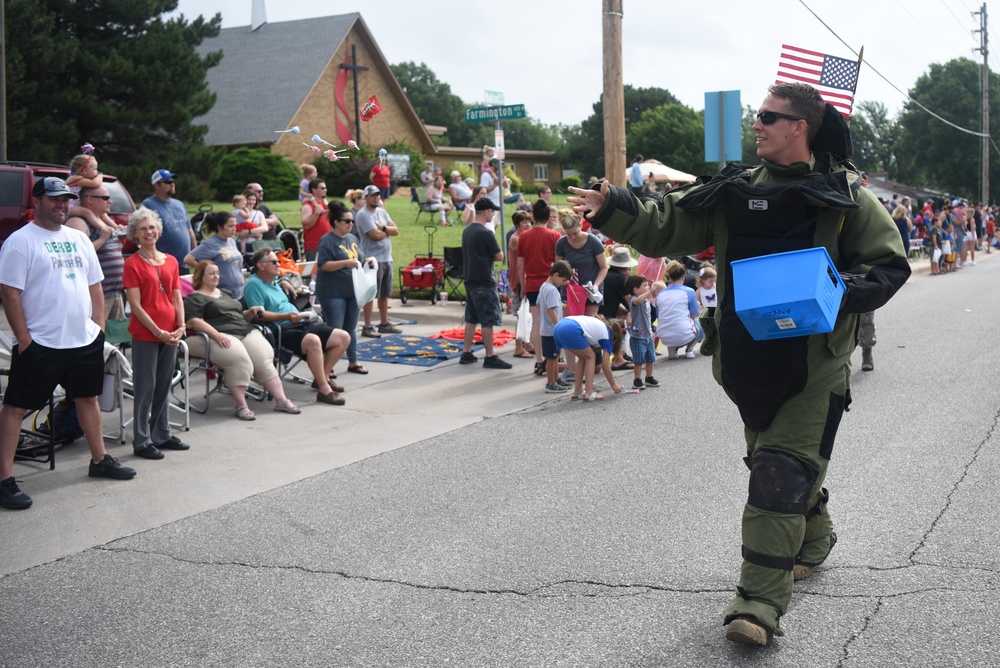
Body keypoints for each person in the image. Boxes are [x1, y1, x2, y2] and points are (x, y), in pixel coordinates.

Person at [568, 82, 910, 645]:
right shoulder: (731, 190)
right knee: (775, 464)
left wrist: (830, 289)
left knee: (781, 472)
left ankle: (757, 606)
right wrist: (612, 208)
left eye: (771, 117)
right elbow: (666, 223)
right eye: (758, 115)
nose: (759, 124)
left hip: (813, 363)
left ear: (800, 127)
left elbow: (887, 266)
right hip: (744, 359)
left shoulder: (847, 197)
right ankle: (813, 536)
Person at [0, 178, 136, 510]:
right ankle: (4, 480)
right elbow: (9, 293)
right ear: (37, 202)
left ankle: (100, 460)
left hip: (83, 340)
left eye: (66, 199)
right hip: (41, 343)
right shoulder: (20, 242)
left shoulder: (78, 238)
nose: (62, 204)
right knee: (16, 407)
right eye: (54, 199)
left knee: (87, 399)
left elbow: (95, 286)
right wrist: (25, 340)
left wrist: (98, 330)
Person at [183, 260, 302, 419]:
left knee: (263, 358)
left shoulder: (225, 293)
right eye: (212, 273)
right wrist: (217, 335)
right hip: (215, 334)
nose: (216, 276)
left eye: (218, 273)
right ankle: (241, 405)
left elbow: (239, 315)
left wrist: (251, 312)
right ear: (200, 276)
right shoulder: (195, 297)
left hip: (243, 330)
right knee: (239, 359)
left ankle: (281, 400)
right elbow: (193, 322)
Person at [122, 206, 190, 460]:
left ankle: (161, 434)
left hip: (171, 332)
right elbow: (136, 306)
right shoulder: (132, 264)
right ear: (135, 235)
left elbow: (176, 296)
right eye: (143, 229)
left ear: (158, 230)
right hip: (147, 333)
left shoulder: (171, 260)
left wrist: (181, 326)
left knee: (164, 384)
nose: (149, 232)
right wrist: (159, 331)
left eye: (152, 227)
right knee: (145, 387)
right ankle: (141, 440)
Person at [244, 247, 351, 404]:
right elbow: (259, 314)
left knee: (343, 337)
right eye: (274, 262)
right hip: (280, 329)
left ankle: (323, 377)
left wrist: (284, 280)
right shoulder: (254, 285)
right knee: (313, 341)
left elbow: (283, 277)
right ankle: (324, 390)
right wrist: (286, 316)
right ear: (261, 265)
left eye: (278, 261)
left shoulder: (273, 280)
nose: (278, 264)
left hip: (300, 322)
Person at [315, 201, 370, 375]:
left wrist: (367, 261)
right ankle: (327, 366)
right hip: (332, 292)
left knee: (351, 328)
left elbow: (358, 258)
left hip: (352, 290)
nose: (351, 224)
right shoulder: (327, 241)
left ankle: (353, 361)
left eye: (352, 221)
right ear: (336, 222)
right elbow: (323, 265)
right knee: (334, 329)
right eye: (347, 221)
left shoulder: (352, 238)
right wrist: (346, 263)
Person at [458, 199, 512, 370]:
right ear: (486, 212)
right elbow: (499, 256)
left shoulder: (467, 231)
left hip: (470, 278)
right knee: (487, 319)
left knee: (472, 317)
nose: (494, 215)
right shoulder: (485, 233)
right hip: (484, 280)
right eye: (493, 212)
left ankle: (466, 352)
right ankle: (490, 356)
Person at [64, 184, 126, 320]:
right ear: (90, 199)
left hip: (115, 293)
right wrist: (103, 239)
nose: (110, 201)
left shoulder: (105, 221)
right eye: (105, 198)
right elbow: (77, 257)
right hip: (96, 296)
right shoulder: (78, 222)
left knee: (115, 339)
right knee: (96, 337)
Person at [517, 199, 563, 376]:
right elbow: (559, 264)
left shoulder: (523, 237)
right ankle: (554, 358)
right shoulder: (554, 236)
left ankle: (539, 360)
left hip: (533, 284)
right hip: (551, 284)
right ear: (548, 217)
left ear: (533, 216)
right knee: (554, 320)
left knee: (537, 322)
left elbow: (521, 265)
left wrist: (522, 284)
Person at [355, 185, 401, 339]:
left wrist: (383, 228)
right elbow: (374, 235)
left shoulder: (382, 212)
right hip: (373, 259)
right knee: (371, 293)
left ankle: (384, 323)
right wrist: (387, 231)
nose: (376, 198)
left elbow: (396, 230)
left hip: (387, 258)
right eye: (373, 195)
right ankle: (367, 326)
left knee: (384, 294)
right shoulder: (363, 215)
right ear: (366, 197)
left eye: (378, 195)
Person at [551, 315, 624, 401]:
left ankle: (577, 391)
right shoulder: (608, 336)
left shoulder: (601, 326)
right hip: (570, 329)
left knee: (583, 358)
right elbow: (605, 365)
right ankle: (589, 393)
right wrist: (614, 385)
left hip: (559, 327)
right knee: (590, 356)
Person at [184, 211, 246, 300]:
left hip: (239, 292)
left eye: (235, 225)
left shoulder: (232, 241)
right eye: (230, 226)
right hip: (223, 293)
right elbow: (188, 259)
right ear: (220, 227)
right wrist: (206, 271)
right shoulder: (210, 243)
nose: (234, 229)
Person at [141, 169, 195, 271]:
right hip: (163, 265)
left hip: (184, 265)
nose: (172, 184)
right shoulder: (148, 205)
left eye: (173, 182)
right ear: (157, 185)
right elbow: (144, 234)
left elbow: (189, 231)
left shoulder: (179, 204)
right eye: (168, 182)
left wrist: (195, 254)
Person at [652, 261, 702, 359]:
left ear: (669, 277)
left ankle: (672, 347)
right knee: (701, 323)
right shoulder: (689, 291)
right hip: (685, 334)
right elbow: (694, 314)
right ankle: (690, 349)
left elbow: (659, 315)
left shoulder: (660, 294)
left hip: (664, 337)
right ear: (684, 276)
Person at [600, 246, 638, 370]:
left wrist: (626, 311)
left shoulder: (606, 274)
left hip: (597, 313)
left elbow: (613, 300)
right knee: (622, 324)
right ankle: (618, 359)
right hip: (606, 318)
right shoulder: (621, 280)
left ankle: (620, 355)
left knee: (595, 366)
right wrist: (629, 312)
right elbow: (631, 302)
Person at [538, 260, 573, 392]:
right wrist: (559, 326)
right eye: (563, 281)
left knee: (555, 356)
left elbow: (539, 304)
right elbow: (550, 310)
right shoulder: (552, 290)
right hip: (552, 330)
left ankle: (556, 379)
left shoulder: (544, 287)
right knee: (552, 358)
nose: (564, 284)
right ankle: (550, 382)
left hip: (547, 329)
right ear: (556, 275)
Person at [65, 153, 118, 234]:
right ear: (85, 170)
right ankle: (103, 229)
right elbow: (95, 183)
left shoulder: (82, 180)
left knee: (102, 214)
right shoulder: (74, 178)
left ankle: (116, 228)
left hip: (76, 205)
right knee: (87, 212)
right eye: (95, 169)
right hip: (69, 206)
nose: (96, 172)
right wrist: (100, 175)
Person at [508, 210, 534, 358]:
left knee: (527, 313)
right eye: (525, 222)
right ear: (517, 224)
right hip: (519, 279)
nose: (528, 224)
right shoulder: (517, 239)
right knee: (521, 314)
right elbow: (523, 261)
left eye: (529, 221)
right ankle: (518, 347)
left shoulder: (522, 237)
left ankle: (527, 343)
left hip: (523, 278)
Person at [624, 274, 658, 389]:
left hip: (648, 334)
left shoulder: (646, 300)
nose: (648, 287)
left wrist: (653, 289)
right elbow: (638, 301)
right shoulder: (633, 299)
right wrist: (650, 292)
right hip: (637, 336)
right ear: (636, 289)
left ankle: (649, 377)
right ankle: (637, 379)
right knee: (638, 360)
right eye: (645, 286)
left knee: (651, 358)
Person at [300, 178, 330, 262]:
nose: (325, 190)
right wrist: (316, 213)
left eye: (325, 188)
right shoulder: (308, 206)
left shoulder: (323, 204)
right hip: (314, 247)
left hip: (328, 245)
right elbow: (306, 225)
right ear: (314, 190)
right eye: (322, 188)